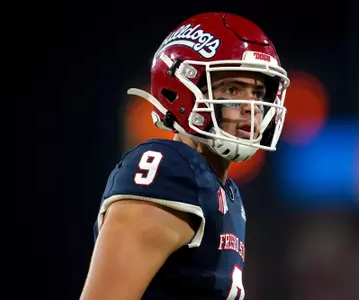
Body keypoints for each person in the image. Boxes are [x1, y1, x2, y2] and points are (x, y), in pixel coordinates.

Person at [80, 12, 290, 300]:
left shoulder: (226, 193)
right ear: (184, 91)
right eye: (232, 88)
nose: (250, 106)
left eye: (258, 92)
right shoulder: (170, 171)